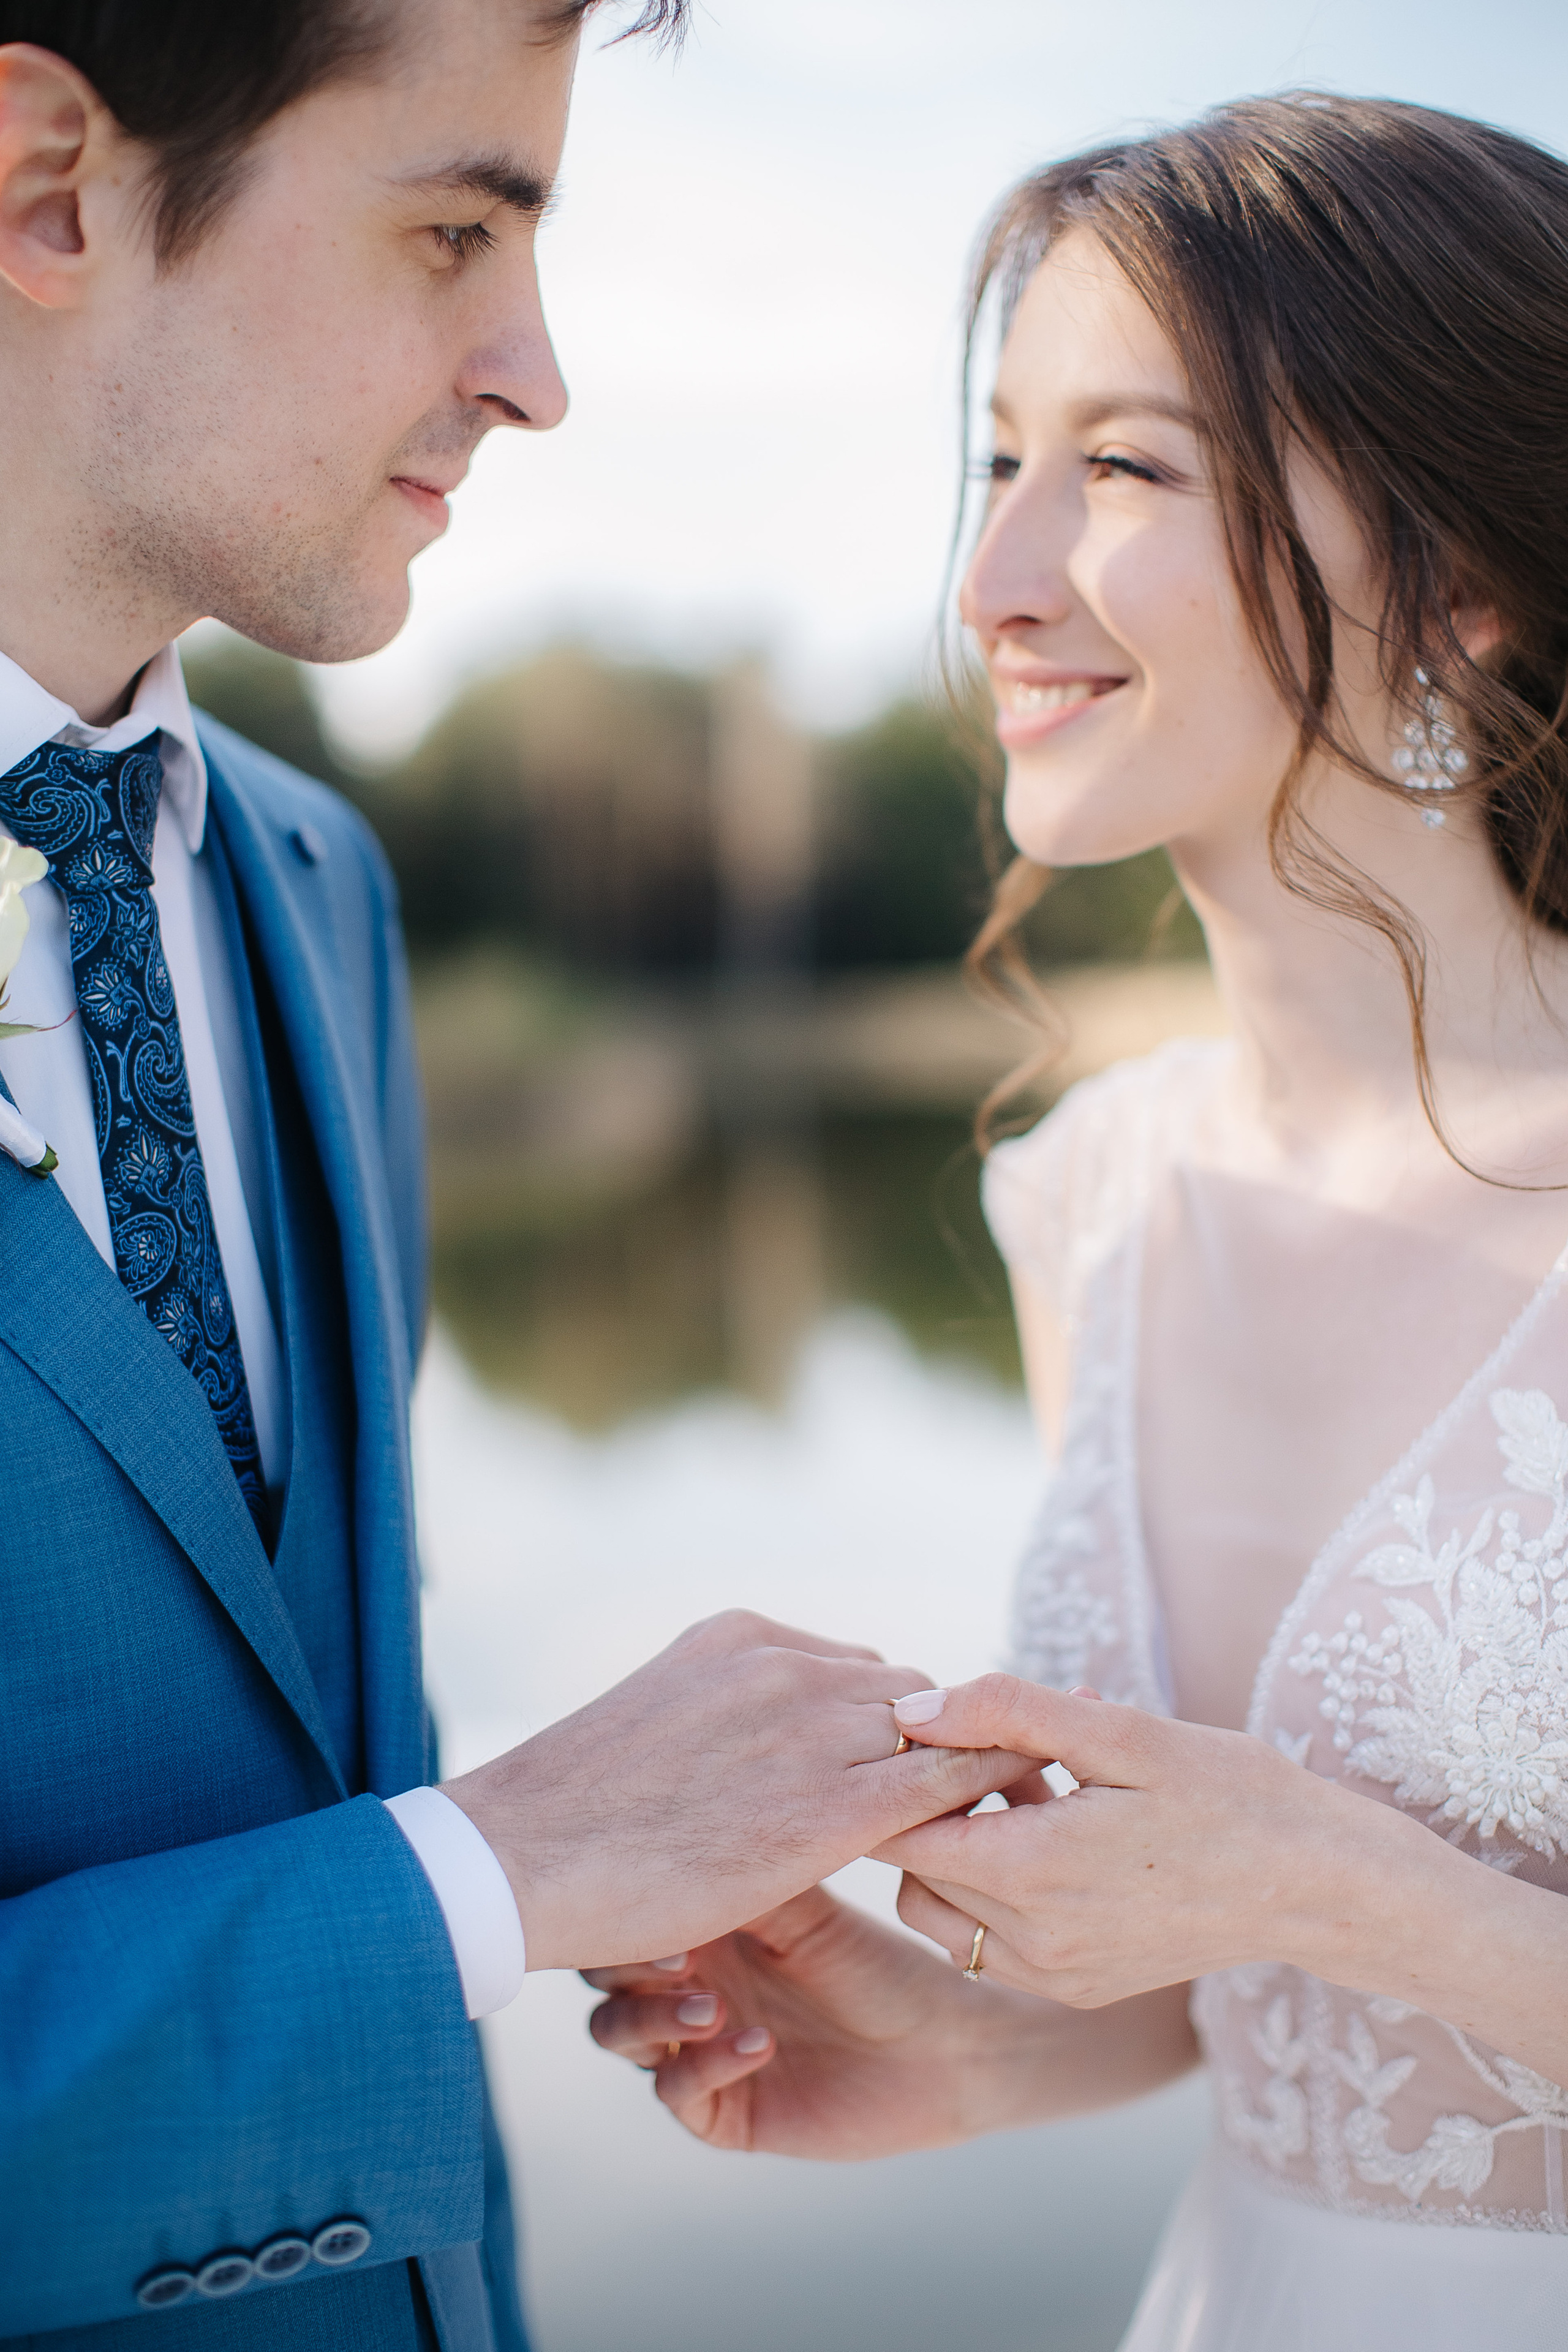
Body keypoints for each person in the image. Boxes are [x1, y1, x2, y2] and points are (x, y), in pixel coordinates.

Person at [0, 7, 1035, 2344]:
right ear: (49, 180)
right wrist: (485, 1876)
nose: (536, 373)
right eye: (454, 229)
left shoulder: (310, 882)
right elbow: (424, 1871)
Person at [586, 94, 1568, 2349]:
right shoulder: (1091, 1206)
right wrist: (968, 2049)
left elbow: (1333, 1906)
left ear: (1463, 570)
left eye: (1124, 469)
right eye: (997, 466)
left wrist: (1319, 1867)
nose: (993, 584)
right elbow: (1278, 2025)